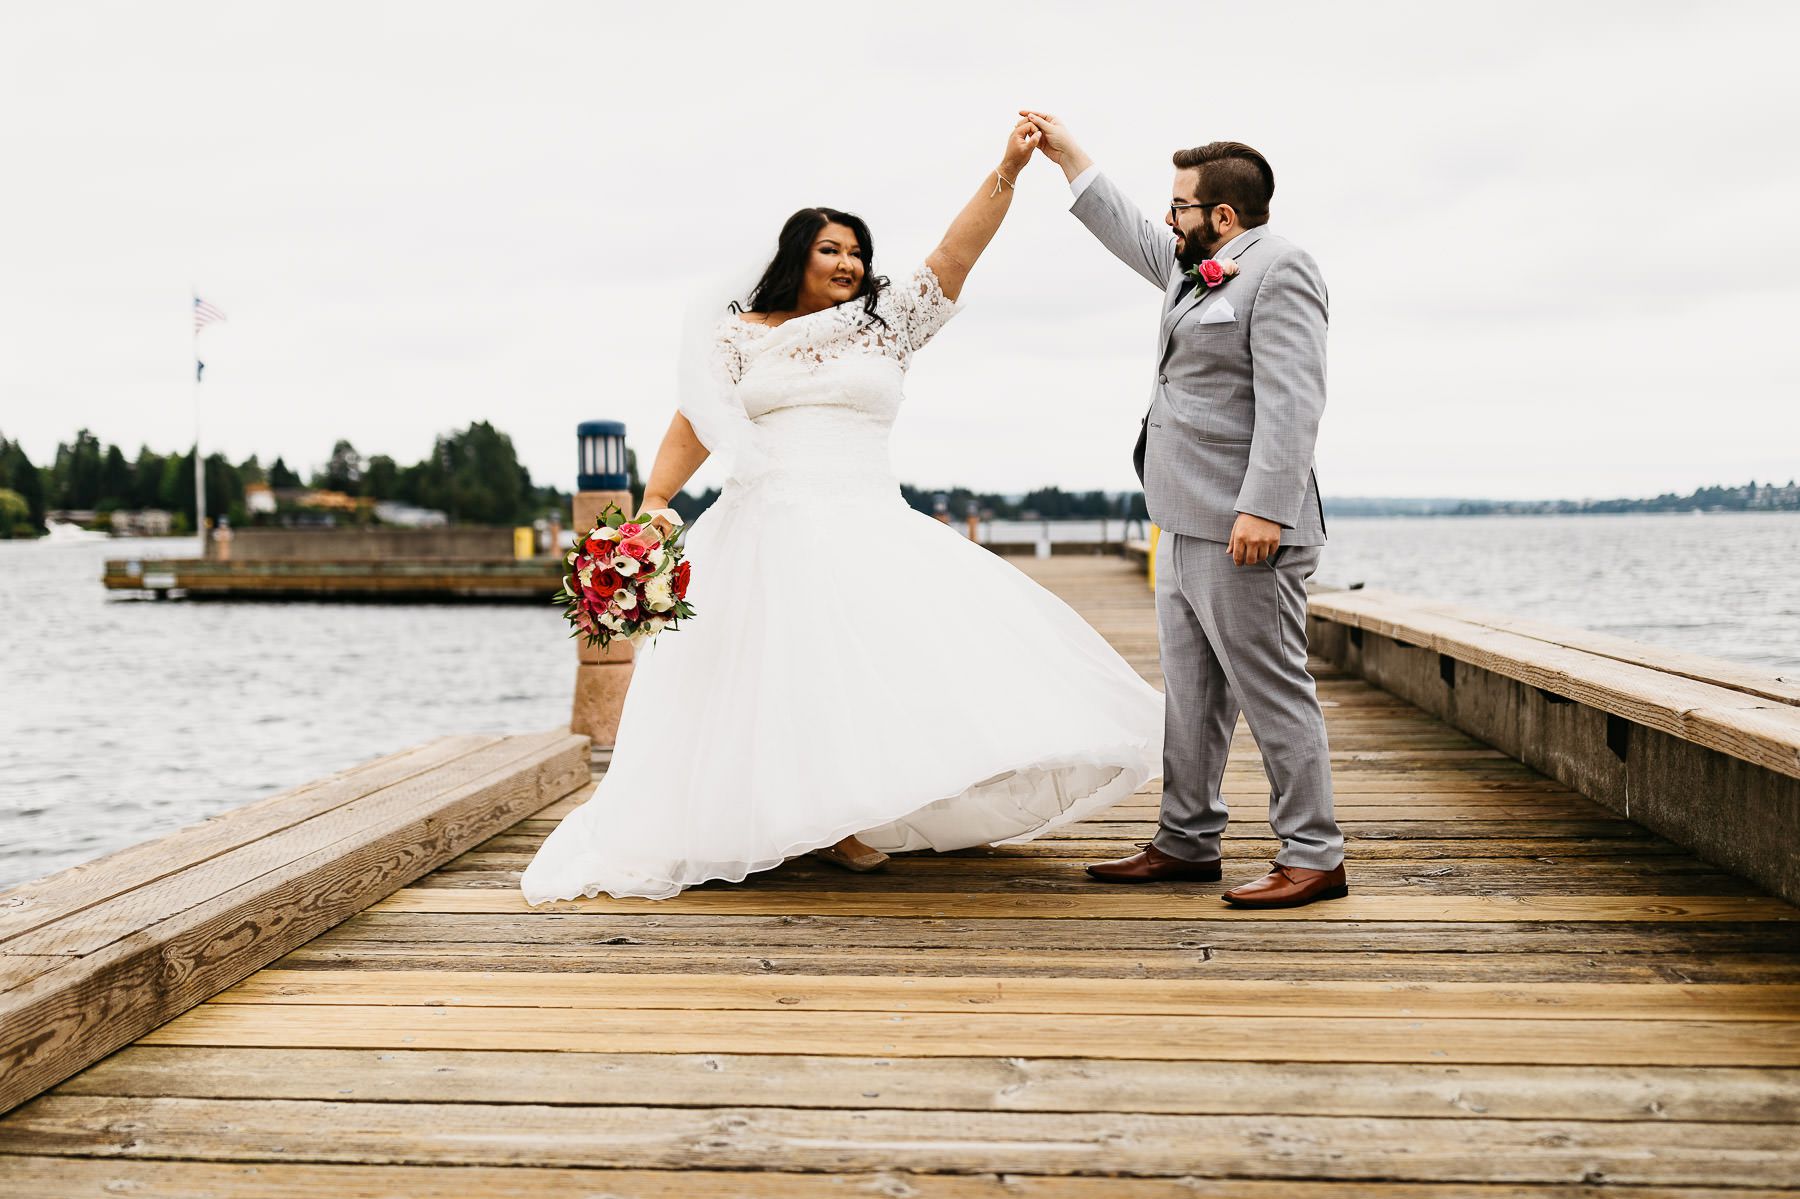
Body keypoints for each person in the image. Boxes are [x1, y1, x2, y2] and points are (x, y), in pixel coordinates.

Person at [521, 120, 1163, 904]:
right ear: (795, 257)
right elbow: (696, 420)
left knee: (886, 666)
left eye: (857, 252)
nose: (849, 262)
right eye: (831, 249)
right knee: (784, 673)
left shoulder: (885, 324)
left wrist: (1008, 170)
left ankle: (855, 809)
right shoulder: (738, 334)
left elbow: (954, 256)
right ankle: (818, 822)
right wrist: (655, 505)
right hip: (764, 520)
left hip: (866, 518)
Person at [1022, 111, 1347, 909]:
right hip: (1180, 516)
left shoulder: (1282, 270)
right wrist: (1067, 156)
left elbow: (1293, 402)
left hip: (1246, 527)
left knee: (1272, 688)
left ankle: (1314, 852)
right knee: (1192, 694)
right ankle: (1187, 837)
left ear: (1223, 217)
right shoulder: (1188, 264)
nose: (1169, 219)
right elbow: (1129, 228)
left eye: (1181, 207)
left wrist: (1264, 508)